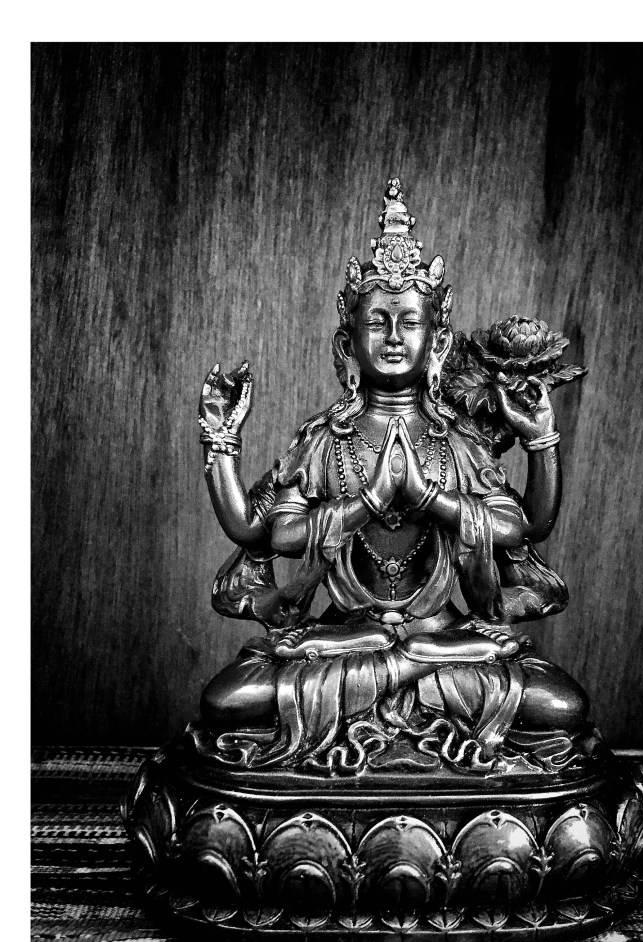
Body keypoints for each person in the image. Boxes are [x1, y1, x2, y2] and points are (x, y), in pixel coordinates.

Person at [194, 179, 588, 773]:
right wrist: (223, 442)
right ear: (347, 342)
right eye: (377, 322)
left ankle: (400, 669)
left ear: (438, 341)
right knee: (228, 700)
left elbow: (524, 526)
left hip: (445, 638)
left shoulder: (457, 439)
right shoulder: (325, 440)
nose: (395, 338)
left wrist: (534, 443)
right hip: (344, 638)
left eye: (409, 322)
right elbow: (267, 532)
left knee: (561, 704)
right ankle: (403, 670)